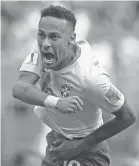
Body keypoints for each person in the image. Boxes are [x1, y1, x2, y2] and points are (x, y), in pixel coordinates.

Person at [12, 5, 136, 166]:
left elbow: (128, 116)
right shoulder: (42, 52)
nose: (45, 43)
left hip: (87, 151)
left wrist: (80, 145)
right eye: (41, 35)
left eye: (54, 37)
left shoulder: (90, 79)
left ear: (71, 39)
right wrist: (57, 102)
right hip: (56, 143)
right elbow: (20, 88)